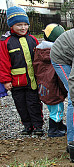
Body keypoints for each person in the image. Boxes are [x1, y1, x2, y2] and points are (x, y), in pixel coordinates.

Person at [0, 6, 44, 136]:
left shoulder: (33, 39)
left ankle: (38, 126)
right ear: (11, 26)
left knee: (34, 103)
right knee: (21, 105)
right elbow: (3, 63)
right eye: (19, 25)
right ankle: (27, 125)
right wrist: (6, 80)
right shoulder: (5, 42)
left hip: (32, 81)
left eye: (25, 24)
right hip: (16, 82)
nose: (23, 28)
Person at [33, 23, 67, 138]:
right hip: (54, 87)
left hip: (44, 86)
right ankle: (53, 130)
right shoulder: (57, 53)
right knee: (57, 110)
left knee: (53, 108)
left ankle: (59, 125)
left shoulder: (39, 50)